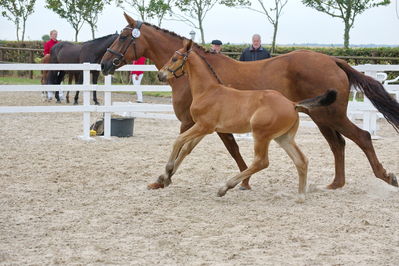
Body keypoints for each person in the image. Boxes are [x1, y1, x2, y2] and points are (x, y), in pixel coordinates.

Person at [42, 30, 61, 101]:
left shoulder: (59, 43)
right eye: (54, 34)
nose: (55, 35)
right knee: (48, 76)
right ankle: (48, 93)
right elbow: (46, 53)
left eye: (56, 34)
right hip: (50, 61)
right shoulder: (48, 43)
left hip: (58, 63)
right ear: (51, 35)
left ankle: (59, 94)